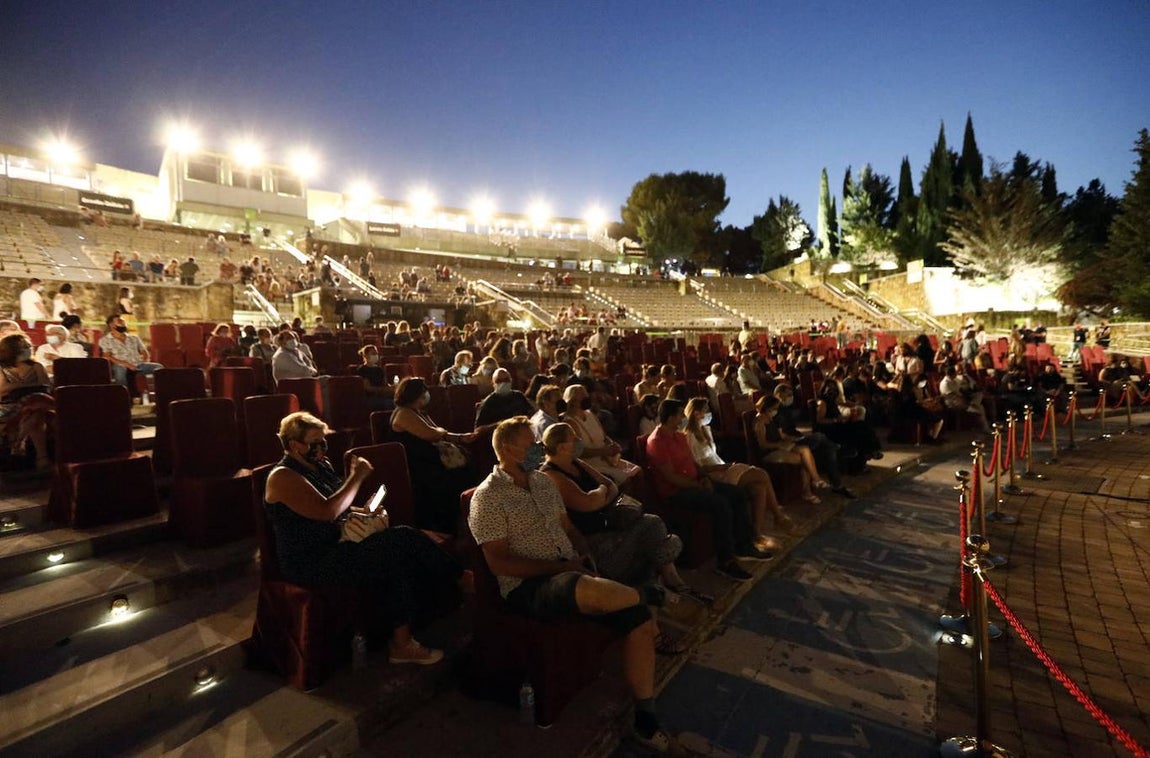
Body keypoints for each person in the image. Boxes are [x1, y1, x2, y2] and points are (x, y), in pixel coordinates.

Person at [468, 417, 685, 754]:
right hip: (529, 585)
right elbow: (499, 562)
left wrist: (584, 553)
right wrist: (561, 566)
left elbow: (568, 528)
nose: (538, 448)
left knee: (639, 619)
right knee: (584, 585)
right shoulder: (488, 497)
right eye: (531, 443)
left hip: (571, 569)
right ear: (509, 449)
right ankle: (647, 592)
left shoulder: (540, 482)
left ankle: (646, 719)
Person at [264, 412, 467, 666]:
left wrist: (365, 510)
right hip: (312, 560)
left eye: (323, 440)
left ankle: (407, 638)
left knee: (393, 551)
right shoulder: (282, 476)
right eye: (315, 441)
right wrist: (357, 476)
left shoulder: (320, 466)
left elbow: (342, 508)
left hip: (340, 544)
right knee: (400, 539)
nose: (321, 447)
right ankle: (461, 582)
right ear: (294, 445)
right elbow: (327, 511)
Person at [646, 398, 770, 582]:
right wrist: (698, 484)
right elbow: (671, 477)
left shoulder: (679, 436)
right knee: (720, 504)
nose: (683, 417)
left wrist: (704, 478)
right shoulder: (656, 441)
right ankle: (726, 561)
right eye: (680, 414)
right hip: (676, 492)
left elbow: (693, 464)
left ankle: (743, 544)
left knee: (736, 494)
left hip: (695, 481)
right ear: (671, 417)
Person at [682, 398, 793, 543]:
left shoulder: (705, 430)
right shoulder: (689, 436)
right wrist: (722, 467)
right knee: (762, 474)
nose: (709, 414)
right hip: (713, 473)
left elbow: (714, 455)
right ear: (697, 414)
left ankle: (757, 534)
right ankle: (778, 516)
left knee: (759, 488)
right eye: (706, 411)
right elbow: (697, 466)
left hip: (722, 467)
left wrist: (725, 465)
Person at [389, 377, 478, 533]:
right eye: (424, 392)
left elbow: (440, 433)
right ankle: (451, 526)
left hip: (430, 459)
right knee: (457, 477)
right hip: (417, 463)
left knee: (467, 467)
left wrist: (460, 437)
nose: (427, 395)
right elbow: (432, 434)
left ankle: (466, 519)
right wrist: (442, 432)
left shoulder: (418, 412)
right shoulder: (403, 413)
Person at [561, 384, 641, 486]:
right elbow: (579, 452)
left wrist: (613, 445)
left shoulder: (590, 414)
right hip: (592, 465)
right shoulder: (570, 422)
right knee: (626, 481)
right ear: (572, 400)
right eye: (582, 396)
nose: (586, 398)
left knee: (638, 471)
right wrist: (603, 451)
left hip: (607, 459)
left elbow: (604, 436)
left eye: (586, 395)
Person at [753, 396, 825, 505]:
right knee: (804, 460)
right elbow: (763, 445)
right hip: (769, 452)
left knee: (805, 450)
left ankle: (814, 482)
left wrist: (792, 439)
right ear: (767, 407)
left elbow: (781, 435)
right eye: (774, 408)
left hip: (780, 446)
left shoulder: (771, 418)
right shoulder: (759, 422)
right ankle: (810, 489)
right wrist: (779, 445)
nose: (776, 411)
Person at [0, 332, 54, 471]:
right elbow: (2, 389)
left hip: (38, 401)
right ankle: (42, 458)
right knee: (36, 414)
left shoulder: (36, 366)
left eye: (28, 345)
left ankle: (18, 443)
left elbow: (45, 385)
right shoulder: (2, 368)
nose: (29, 348)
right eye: (24, 346)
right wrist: (26, 385)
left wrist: (18, 386)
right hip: (10, 405)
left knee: (36, 402)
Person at [99, 315, 162, 388]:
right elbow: (107, 356)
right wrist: (126, 364)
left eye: (123, 321)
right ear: (111, 325)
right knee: (119, 369)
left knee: (158, 367)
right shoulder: (105, 340)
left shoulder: (134, 338)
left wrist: (143, 361)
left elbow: (144, 352)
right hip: (121, 365)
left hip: (138, 365)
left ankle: (160, 394)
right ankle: (122, 394)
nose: (123, 323)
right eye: (120, 321)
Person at [355, 345, 393, 412]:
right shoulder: (362, 370)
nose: (375, 355)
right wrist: (382, 390)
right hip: (370, 397)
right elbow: (368, 388)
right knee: (388, 403)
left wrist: (392, 387)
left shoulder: (379, 369)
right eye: (373, 354)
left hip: (382, 395)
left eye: (376, 353)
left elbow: (385, 384)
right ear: (366, 355)